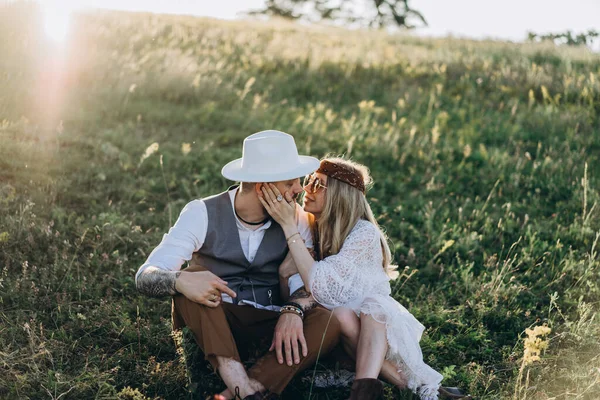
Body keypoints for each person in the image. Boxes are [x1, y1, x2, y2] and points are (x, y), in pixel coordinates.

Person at [135, 130, 341, 400]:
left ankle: (242, 389)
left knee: (329, 321)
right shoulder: (201, 213)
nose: (299, 190)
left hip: (270, 323)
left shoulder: (297, 220)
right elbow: (144, 276)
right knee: (193, 280)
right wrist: (179, 280)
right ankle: (242, 386)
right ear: (262, 188)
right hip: (218, 319)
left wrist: (293, 309)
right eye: (291, 183)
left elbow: (306, 286)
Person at [258, 157, 471, 400]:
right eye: (309, 181)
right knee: (340, 315)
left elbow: (321, 287)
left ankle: (366, 391)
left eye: (317, 184)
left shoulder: (364, 234)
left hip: (379, 333)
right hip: (338, 337)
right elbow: (301, 293)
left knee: (372, 308)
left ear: (339, 195)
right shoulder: (311, 228)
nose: (306, 189)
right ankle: (420, 389)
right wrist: (284, 275)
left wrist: (289, 229)